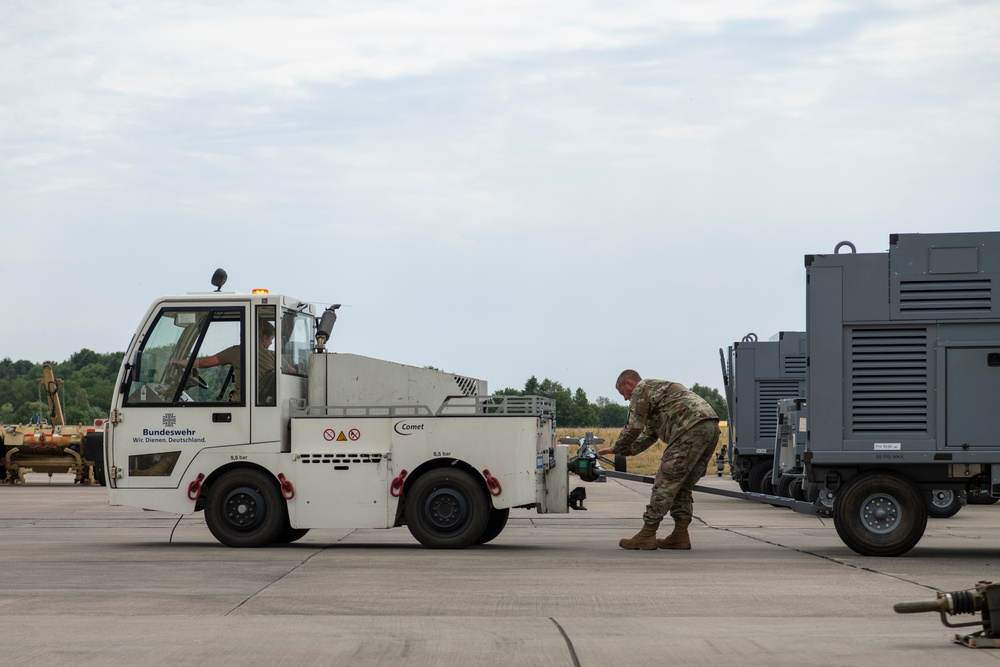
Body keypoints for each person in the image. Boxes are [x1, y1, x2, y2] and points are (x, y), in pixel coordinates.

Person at [598, 370, 720, 550]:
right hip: (710, 426)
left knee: (666, 480)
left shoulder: (641, 389)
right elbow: (648, 435)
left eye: (622, 392)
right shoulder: (658, 394)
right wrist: (620, 452)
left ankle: (647, 534)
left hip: (689, 427)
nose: (624, 399)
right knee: (681, 485)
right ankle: (680, 535)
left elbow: (633, 427)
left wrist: (618, 448)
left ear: (629, 384)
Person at [173, 321, 280, 402]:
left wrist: (180, 362)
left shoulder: (238, 351)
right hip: (258, 401)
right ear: (264, 338)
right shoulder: (275, 356)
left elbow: (205, 363)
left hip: (244, 400)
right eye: (272, 339)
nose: (271, 342)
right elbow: (291, 370)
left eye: (272, 339)